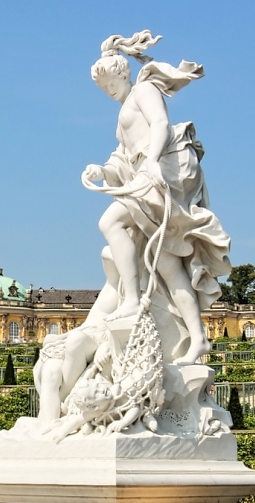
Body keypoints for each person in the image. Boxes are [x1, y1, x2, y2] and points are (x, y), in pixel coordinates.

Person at [82, 30, 231, 365]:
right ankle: (198, 339)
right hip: (143, 175)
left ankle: (132, 300)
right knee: (167, 265)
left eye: (111, 83)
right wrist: (101, 170)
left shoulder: (144, 90)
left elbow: (161, 123)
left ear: (123, 73)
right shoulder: (123, 114)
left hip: (161, 172)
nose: (109, 90)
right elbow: (122, 159)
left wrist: (151, 161)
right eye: (104, 88)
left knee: (109, 222)